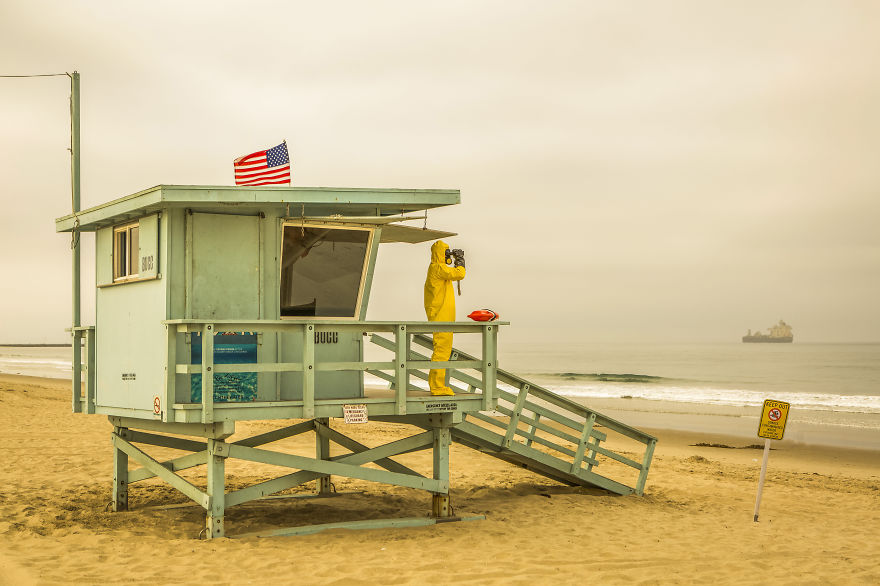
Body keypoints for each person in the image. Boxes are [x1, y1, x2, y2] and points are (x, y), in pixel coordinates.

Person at [423, 240, 465, 396]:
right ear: (440, 253)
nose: (448, 254)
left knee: (442, 350)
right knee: (441, 351)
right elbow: (460, 274)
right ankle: (437, 387)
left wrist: (453, 260)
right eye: (446, 252)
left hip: (443, 316)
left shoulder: (437, 268)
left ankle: (437, 385)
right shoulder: (437, 268)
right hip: (441, 316)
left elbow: (452, 274)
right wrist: (460, 260)